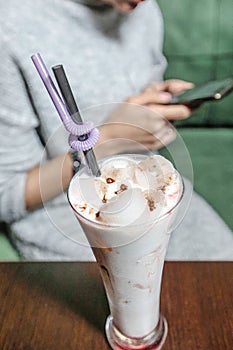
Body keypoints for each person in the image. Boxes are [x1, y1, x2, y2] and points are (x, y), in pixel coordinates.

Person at [0, 0, 232, 260]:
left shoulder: (144, 11)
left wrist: (154, 105)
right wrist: (109, 138)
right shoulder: (10, 28)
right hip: (73, 220)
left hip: (150, 190)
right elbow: (6, 194)